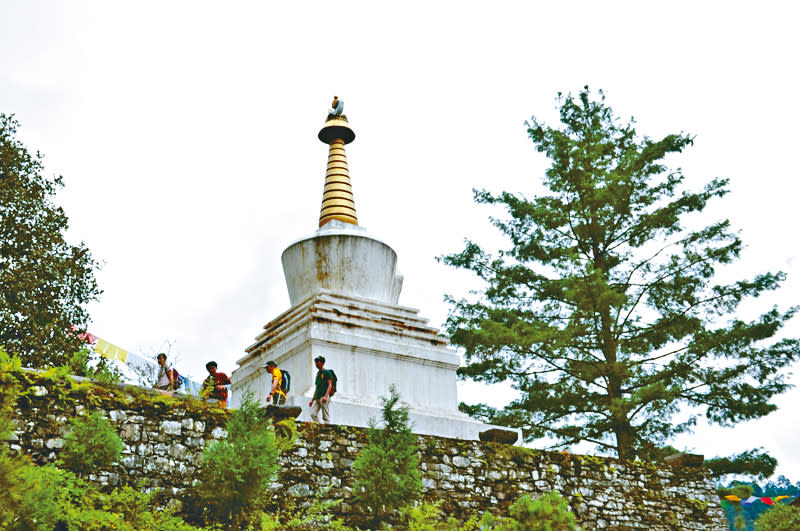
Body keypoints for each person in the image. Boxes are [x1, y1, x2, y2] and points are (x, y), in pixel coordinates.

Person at [308, 356, 333, 423]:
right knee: (313, 414)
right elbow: (316, 388)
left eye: (317, 362)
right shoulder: (318, 375)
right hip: (317, 397)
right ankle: (318, 426)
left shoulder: (327, 372)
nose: (316, 364)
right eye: (315, 363)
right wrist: (312, 400)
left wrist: (326, 396)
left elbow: (330, 384)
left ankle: (327, 428)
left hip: (324, 396)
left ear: (322, 363)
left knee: (325, 415)